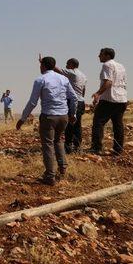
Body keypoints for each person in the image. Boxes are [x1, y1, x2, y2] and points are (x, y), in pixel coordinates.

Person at [16, 56, 78, 186]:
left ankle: (50, 176)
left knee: (48, 144)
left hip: (49, 117)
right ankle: (62, 167)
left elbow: (33, 102)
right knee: (58, 140)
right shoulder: (63, 78)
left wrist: (22, 118)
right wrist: (73, 113)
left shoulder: (40, 80)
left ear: (42, 66)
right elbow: (74, 97)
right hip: (63, 116)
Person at [90, 48, 128, 155]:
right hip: (122, 99)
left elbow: (108, 82)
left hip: (109, 99)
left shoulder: (107, 65)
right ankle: (118, 149)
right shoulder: (121, 66)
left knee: (98, 122)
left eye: (101, 54)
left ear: (107, 56)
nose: (99, 56)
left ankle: (96, 148)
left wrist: (98, 94)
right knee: (118, 124)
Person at [54, 58, 87, 153]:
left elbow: (57, 70)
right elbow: (83, 90)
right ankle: (77, 146)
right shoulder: (83, 76)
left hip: (72, 101)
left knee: (69, 124)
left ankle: (68, 147)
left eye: (67, 64)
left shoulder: (72, 73)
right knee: (77, 125)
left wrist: (44, 61)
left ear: (72, 65)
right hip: (81, 101)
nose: (66, 66)